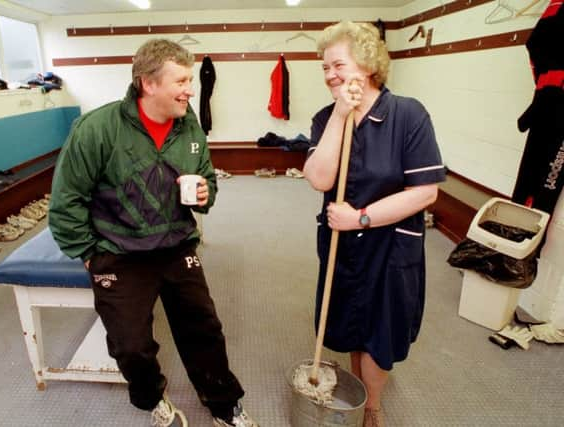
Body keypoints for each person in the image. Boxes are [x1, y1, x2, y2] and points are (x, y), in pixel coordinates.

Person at [49, 39, 258, 427]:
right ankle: (152, 401)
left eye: (190, 79)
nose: (190, 89)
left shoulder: (189, 125)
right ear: (148, 84)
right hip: (119, 252)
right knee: (132, 347)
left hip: (177, 245)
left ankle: (224, 404)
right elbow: (65, 202)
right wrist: (90, 254)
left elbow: (208, 178)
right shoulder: (96, 129)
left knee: (205, 330)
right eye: (181, 80)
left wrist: (204, 192)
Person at [303, 22, 445, 427]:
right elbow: (319, 179)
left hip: (391, 246)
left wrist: (359, 217)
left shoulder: (407, 114)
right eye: (325, 68)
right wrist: (340, 116)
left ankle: (373, 405)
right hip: (343, 245)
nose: (330, 75)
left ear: (367, 64)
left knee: (381, 331)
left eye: (338, 65)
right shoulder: (325, 118)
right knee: (350, 323)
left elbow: (425, 193)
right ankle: (359, 385)